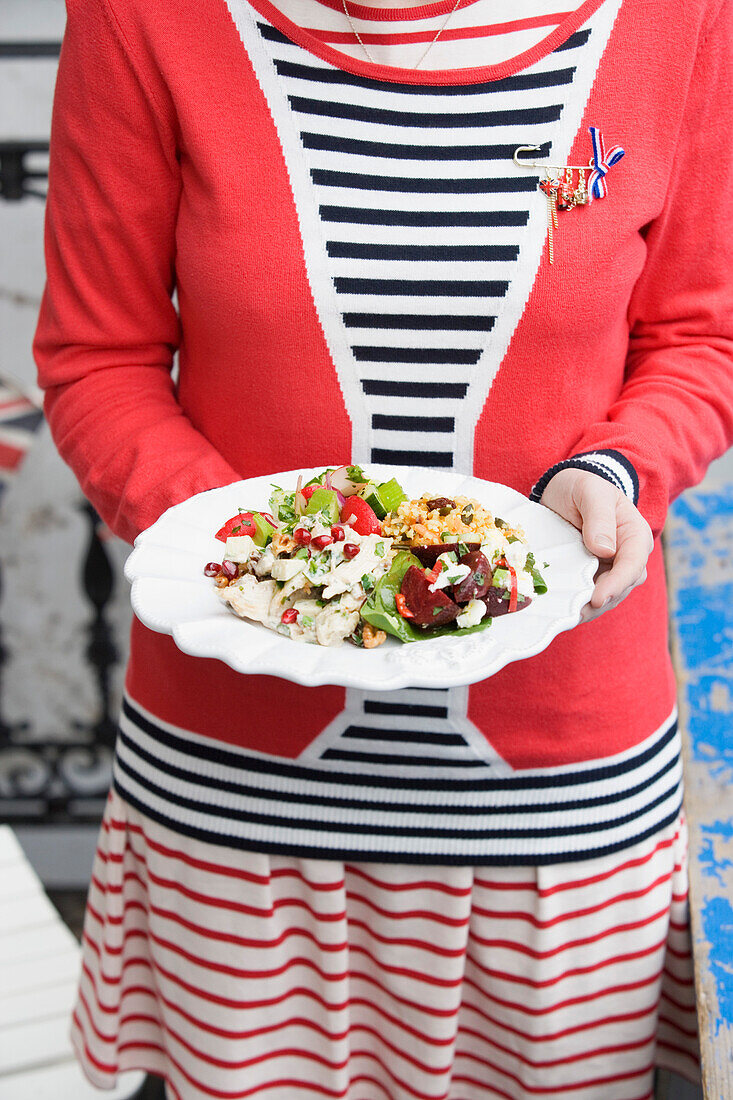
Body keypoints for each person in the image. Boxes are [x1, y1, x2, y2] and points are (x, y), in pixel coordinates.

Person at [33, 0, 733, 1096]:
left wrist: (618, 470)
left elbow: (699, 333)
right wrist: (260, 559)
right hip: (237, 789)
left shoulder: (680, 18)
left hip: (553, 781)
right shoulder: (143, 17)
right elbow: (98, 357)